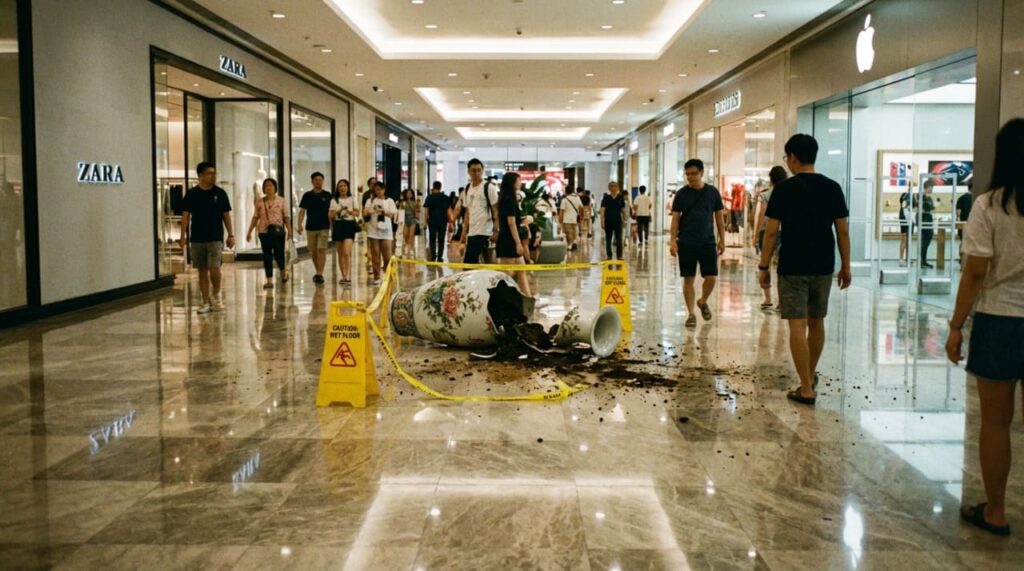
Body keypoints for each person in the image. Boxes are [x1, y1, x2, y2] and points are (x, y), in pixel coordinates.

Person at [946, 118, 1024, 538]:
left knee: (996, 422)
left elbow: (975, 273)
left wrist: (956, 325)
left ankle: (996, 511)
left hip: (1000, 321)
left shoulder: (991, 206)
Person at [758, 134, 852, 406]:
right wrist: (845, 265)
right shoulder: (832, 187)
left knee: (797, 325)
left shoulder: (784, 190)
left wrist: (764, 265)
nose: (787, 162)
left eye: (787, 158)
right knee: (816, 321)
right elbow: (842, 231)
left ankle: (806, 388)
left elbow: (771, 232)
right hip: (823, 264)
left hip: (793, 265)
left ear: (794, 158)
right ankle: (809, 376)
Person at [670, 159, 726, 328]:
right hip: (686, 242)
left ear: (702, 172)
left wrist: (722, 239)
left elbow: (719, 217)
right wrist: (673, 241)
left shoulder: (712, 192)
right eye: (687, 174)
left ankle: (702, 301)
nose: (690, 177)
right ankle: (691, 314)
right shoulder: (681, 194)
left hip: (707, 242)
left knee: (711, 277)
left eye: (693, 173)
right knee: (688, 278)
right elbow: (675, 220)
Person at [179, 161, 235, 314]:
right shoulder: (192, 194)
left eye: (214, 173)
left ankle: (216, 295)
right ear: (201, 175)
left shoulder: (220, 193)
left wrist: (231, 234)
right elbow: (185, 216)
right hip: (197, 237)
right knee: (202, 269)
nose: (213, 176)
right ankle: (204, 301)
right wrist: (182, 236)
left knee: (214, 267)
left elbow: (226, 215)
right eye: (210, 173)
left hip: (215, 237)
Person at [245, 177, 291, 289]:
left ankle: (283, 273)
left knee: (279, 253)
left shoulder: (281, 200)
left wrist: (289, 230)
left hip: (278, 232)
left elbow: (286, 217)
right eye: (266, 186)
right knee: (267, 256)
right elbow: (255, 217)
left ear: (275, 187)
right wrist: (249, 231)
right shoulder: (260, 202)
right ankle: (269, 280)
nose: (268, 187)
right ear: (264, 188)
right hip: (264, 232)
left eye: (271, 185)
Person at [753, 166, 789, 309]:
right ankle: (781, 301)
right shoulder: (789, 193)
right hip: (784, 232)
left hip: (767, 231)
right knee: (781, 267)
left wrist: (755, 235)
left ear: (771, 179)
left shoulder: (765, 195)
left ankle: (767, 299)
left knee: (765, 265)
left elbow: (761, 215)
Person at [496, 172, 532, 297]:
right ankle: (503, 298)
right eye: (519, 180)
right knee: (507, 274)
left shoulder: (507, 198)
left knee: (521, 269)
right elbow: (511, 223)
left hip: (510, 238)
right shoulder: (509, 200)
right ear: (512, 183)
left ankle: (527, 297)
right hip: (508, 240)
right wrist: (518, 243)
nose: (520, 182)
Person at [459, 158, 499, 264]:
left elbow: (496, 210)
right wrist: (464, 232)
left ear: (482, 170)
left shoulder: (489, 187)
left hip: (485, 232)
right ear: (468, 171)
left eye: (479, 170)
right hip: (472, 232)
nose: (476, 173)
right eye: (473, 170)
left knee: (469, 264)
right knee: (479, 264)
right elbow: (468, 212)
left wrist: (495, 231)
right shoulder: (467, 188)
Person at [297, 171, 331, 284]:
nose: (318, 182)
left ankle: (319, 273)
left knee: (322, 249)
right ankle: (318, 271)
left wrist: (332, 226)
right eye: (316, 180)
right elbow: (302, 211)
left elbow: (331, 212)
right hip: (310, 227)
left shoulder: (328, 195)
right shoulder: (307, 195)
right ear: (312, 182)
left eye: (320, 180)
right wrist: (299, 224)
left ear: (323, 181)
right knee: (313, 251)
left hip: (324, 227)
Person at [363, 181, 398, 285]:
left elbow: (393, 215)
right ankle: (377, 276)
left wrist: (383, 211)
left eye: (381, 189)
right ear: (374, 190)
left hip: (386, 230)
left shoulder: (390, 201)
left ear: (384, 190)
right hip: (373, 230)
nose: (379, 191)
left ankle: (387, 276)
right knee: (375, 254)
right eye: (377, 189)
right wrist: (372, 209)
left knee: (387, 256)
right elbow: (365, 212)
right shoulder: (370, 200)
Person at [329, 179, 359, 285]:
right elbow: (330, 216)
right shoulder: (334, 200)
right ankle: (344, 275)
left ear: (348, 187)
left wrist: (349, 211)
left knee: (346, 252)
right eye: (340, 186)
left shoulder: (353, 199)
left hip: (349, 225)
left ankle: (348, 275)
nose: (342, 188)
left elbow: (357, 213)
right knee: (340, 253)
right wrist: (338, 210)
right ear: (337, 188)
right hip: (338, 225)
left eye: (344, 186)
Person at [600, 181, 628, 260]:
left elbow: (623, 210)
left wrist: (624, 220)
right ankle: (609, 255)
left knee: (619, 239)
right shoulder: (606, 198)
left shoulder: (620, 198)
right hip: (608, 221)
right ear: (609, 188)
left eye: (615, 186)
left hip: (618, 221)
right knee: (608, 239)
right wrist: (602, 221)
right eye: (612, 186)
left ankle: (620, 255)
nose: (613, 188)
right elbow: (602, 210)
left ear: (617, 188)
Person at [424, 181, 450, 262]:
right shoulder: (445, 197)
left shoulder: (429, 197)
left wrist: (425, 222)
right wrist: (450, 222)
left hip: (432, 221)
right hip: (443, 221)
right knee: (441, 239)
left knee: (432, 238)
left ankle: (433, 255)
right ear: (440, 187)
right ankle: (440, 256)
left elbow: (426, 211)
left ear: (433, 186)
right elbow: (448, 211)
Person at [559, 187, 583, 252]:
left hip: (566, 219)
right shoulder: (577, 198)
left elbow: (562, 211)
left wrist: (560, 219)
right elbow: (581, 207)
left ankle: (570, 245)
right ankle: (574, 242)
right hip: (574, 218)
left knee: (568, 233)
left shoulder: (564, 200)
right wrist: (580, 216)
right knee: (574, 231)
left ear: (566, 192)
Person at [919, 179, 936, 269]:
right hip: (924, 220)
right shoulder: (921, 196)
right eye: (932, 187)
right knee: (924, 242)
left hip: (928, 219)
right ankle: (922, 261)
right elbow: (925, 207)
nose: (932, 189)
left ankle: (923, 261)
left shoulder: (929, 198)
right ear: (928, 187)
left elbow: (931, 207)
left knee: (926, 242)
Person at [399, 188, 420, 257]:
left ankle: (410, 248)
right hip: (405, 219)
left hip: (412, 219)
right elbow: (400, 210)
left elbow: (417, 210)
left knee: (411, 234)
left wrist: (418, 204)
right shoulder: (403, 202)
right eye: (408, 193)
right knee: (405, 234)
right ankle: (407, 244)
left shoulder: (415, 202)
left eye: (410, 193)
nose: (409, 195)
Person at [956, 183, 974, 264]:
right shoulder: (976, 199)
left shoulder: (961, 198)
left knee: (963, 242)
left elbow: (958, 212)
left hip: (963, 224)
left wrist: (959, 220)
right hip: (973, 224)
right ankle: (968, 260)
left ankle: (961, 259)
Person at [898, 185, 911, 266]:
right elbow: (903, 205)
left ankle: (907, 258)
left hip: (909, 218)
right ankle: (901, 259)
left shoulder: (912, 196)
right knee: (904, 239)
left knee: (908, 240)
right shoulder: (905, 195)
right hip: (904, 217)